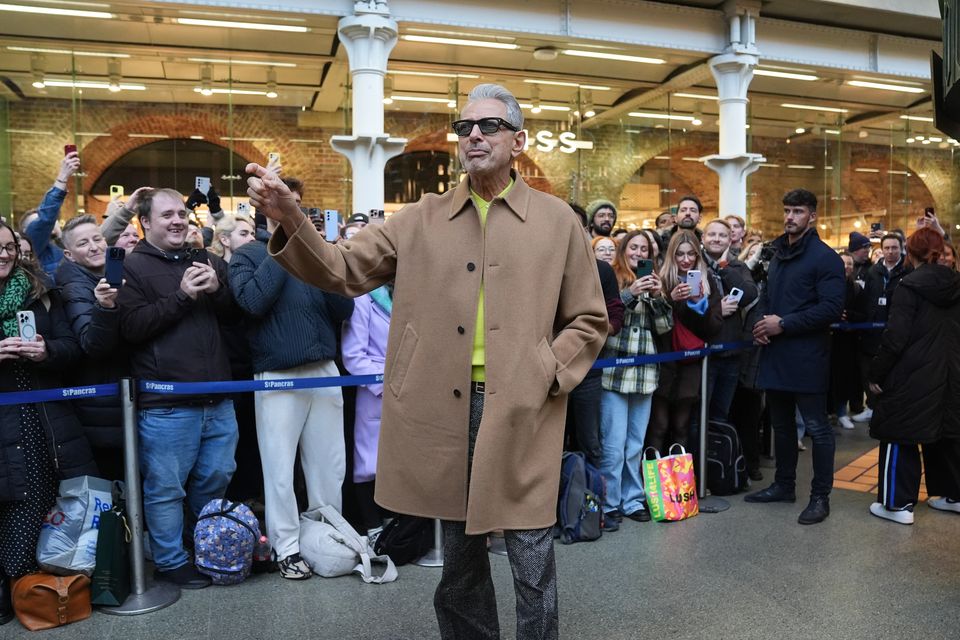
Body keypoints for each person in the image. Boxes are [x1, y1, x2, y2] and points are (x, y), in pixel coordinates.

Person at [247, 83, 606, 640]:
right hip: (444, 407)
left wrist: (546, 371)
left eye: (488, 126)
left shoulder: (559, 222)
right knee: (460, 559)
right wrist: (291, 216)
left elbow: (589, 318)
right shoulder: (420, 218)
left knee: (532, 553)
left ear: (519, 141)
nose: (474, 136)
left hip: (524, 407)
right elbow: (342, 269)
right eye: (465, 128)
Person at [117, 188, 239, 589]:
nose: (177, 221)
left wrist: (218, 290)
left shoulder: (204, 257)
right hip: (167, 404)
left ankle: (200, 546)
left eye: (182, 214)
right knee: (166, 490)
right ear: (145, 222)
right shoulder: (132, 267)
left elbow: (234, 317)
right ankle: (170, 561)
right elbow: (131, 328)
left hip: (216, 397)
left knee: (216, 477)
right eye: (167, 215)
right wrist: (183, 296)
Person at [229, 213, 354, 580]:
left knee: (330, 465)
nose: (298, 219)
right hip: (278, 374)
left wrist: (324, 260)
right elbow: (252, 301)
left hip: (323, 368)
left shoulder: (316, 254)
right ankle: (288, 548)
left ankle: (327, 538)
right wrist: (282, 250)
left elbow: (342, 310)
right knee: (279, 469)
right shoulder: (247, 255)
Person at [0, 219, 96, 621]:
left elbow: (73, 348)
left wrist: (46, 351)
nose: (4, 255)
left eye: (8, 247)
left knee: (34, 500)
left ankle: (27, 589)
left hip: (40, 420)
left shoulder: (41, 293)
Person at [745, 189, 844, 525]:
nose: (790, 217)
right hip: (776, 353)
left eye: (798, 211)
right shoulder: (777, 253)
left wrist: (783, 324)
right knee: (781, 426)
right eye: (787, 210)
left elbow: (830, 309)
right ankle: (784, 484)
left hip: (807, 357)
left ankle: (820, 497)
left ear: (812, 216)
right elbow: (766, 295)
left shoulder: (825, 258)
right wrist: (761, 323)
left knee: (817, 428)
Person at [866, 227, 960, 524]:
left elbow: (895, 338)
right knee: (949, 433)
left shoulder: (909, 286)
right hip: (952, 372)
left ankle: (897, 505)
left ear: (911, 252)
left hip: (912, 374)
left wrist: (876, 373)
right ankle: (952, 496)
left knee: (899, 434)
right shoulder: (957, 284)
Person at [599, 230, 672, 528]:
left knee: (634, 444)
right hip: (614, 373)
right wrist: (631, 293)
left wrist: (656, 297)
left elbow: (665, 327)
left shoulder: (655, 283)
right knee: (613, 445)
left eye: (644, 249)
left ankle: (632, 499)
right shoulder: (612, 279)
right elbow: (608, 318)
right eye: (633, 247)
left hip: (644, 375)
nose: (639, 253)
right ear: (623, 250)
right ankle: (609, 502)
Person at [55, 215, 128, 480]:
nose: (94, 246)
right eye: (83, 243)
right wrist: (105, 307)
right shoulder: (74, 287)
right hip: (100, 405)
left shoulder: (111, 274)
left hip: (117, 403)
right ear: (69, 254)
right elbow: (92, 344)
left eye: (97, 239)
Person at [645, 229, 722, 454]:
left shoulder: (706, 282)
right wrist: (670, 300)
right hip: (663, 362)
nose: (686, 260)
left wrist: (698, 304)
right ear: (672, 255)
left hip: (691, 366)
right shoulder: (660, 278)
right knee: (658, 426)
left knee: (681, 426)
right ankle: (652, 485)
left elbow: (713, 328)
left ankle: (679, 485)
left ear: (698, 255)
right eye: (680, 254)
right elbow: (655, 324)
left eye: (691, 254)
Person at [341, 283, 392, 540]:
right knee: (367, 461)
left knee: (403, 461)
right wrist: (385, 384)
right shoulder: (363, 299)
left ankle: (398, 528)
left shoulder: (413, 292)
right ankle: (373, 527)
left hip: (411, 391)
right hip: (376, 390)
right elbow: (353, 355)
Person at [700, 219, 758, 421]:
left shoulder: (736, 265)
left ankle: (716, 453)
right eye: (712, 234)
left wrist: (724, 267)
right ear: (703, 237)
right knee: (698, 416)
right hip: (703, 353)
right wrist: (717, 310)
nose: (716, 239)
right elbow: (684, 306)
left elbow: (749, 294)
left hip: (731, 353)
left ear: (730, 239)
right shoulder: (692, 262)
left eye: (722, 235)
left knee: (721, 415)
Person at [850, 233, 910, 423]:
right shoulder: (873, 272)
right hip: (872, 333)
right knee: (869, 370)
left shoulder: (907, 271)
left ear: (901, 248)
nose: (891, 251)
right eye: (887, 248)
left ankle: (892, 409)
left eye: (894, 247)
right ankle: (872, 407)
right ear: (882, 250)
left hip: (897, 330)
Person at [19, 151, 80, 283]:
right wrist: (62, 177)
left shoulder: (62, 246)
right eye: (35, 225)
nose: (47, 226)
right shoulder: (35, 249)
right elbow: (45, 219)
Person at [829, 252, 861, 431]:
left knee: (843, 380)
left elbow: (865, 312)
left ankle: (841, 412)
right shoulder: (827, 285)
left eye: (850, 264)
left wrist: (849, 316)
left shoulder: (856, 288)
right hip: (826, 341)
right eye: (843, 263)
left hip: (847, 342)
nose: (847, 267)